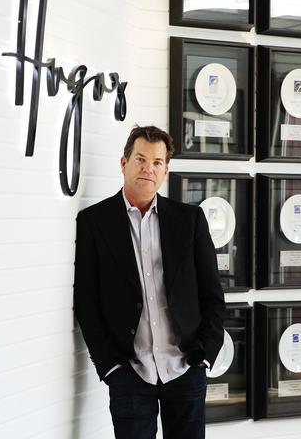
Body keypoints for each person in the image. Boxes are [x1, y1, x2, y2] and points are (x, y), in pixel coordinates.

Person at [74, 125, 225, 439]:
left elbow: (212, 294)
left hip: (185, 368)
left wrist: (204, 357)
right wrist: (112, 368)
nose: (148, 168)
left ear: (165, 170)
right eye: (141, 159)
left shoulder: (190, 220)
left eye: (157, 162)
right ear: (124, 163)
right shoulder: (94, 223)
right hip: (130, 373)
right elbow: (87, 304)